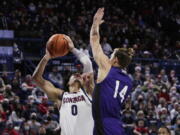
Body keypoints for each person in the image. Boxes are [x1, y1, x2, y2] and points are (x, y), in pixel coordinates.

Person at [32, 35, 94, 135]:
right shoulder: (61, 96)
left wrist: (73, 49)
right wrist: (46, 57)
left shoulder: (89, 92)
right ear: (68, 82)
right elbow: (36, 79)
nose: (78, 74)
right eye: (74, 75)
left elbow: (88, 64)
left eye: (79, 74)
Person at [90, 8, 134, 135]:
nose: (107, 57)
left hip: (105, 123)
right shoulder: (129, 82)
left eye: (110, 56)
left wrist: (95, 23)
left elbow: (94, 40)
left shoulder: (107, 68)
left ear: (115, 60)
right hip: (115, 123)